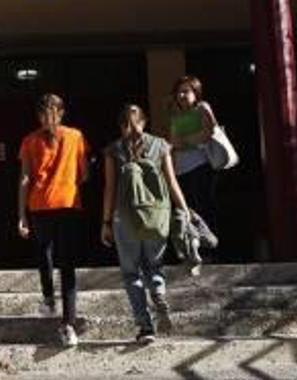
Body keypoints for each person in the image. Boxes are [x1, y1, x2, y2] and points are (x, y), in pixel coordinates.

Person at [100, 104, 191, 344]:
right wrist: (184, 209)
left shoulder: (113, 150)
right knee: (154, 266)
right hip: (156, 217)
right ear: (145, 122)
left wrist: (106, 222)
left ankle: (145, 328)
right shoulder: (161, 145)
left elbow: (109, 189)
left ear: (121, 126)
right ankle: (159, 291)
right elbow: (172, 182)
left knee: (132, 273)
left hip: (125, 219)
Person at [17, 93, 89, 347]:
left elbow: (26, 178)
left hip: (51, 204)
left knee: (52, 258)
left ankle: (57, 310)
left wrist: (22, 214)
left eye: (49, 113)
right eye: (45, 113)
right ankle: (59, 312)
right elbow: (84, 174)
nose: (47, 118)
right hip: (55, 204)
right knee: (57, 260)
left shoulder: (35, 140)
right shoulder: (70, 137)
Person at [170, 76, 220, 242]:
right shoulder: (176, 115)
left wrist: (184, 141)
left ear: (195, 92)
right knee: (187, 209)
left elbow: (209, 132)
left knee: (204, 206)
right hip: (180, 169)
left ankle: (211, 248)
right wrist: (188, 141)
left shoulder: (201, 108)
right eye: (179, 92)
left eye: (186, 91)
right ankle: (193, 247)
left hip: (201, 165)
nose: (182, 96)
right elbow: (172, 142)